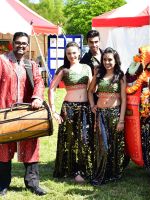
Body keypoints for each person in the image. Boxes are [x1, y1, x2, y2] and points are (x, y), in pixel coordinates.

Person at [0, 32, 46, 196]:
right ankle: (2, 184)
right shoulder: (3, 61)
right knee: (3, 148)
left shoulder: (31, 64)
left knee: (31, 145)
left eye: (24, 44)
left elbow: (39, 81)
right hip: (5, 111)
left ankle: (32, 184)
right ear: (13, 43)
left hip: (27, 113)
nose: (21, 46)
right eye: (18, 43)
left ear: (28, 46)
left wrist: (37, 98)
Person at [48, 41, 93, 183]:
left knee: (84, 139)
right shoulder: (64, 69)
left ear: (79, 53)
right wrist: (54, 111)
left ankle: (83, 168)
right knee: (71, 139)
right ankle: (73, 170)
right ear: (66, 55)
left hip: (85, 108)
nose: (72, 55)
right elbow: (51, 89)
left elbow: (92, 89)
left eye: (74, 53)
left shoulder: (87, 68)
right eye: (69, 53)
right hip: (69, 109)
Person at [88, 47, 127, 185]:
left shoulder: (120, 76)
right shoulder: (99, 75)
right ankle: (100, 174)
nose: (107, 62)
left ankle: (113, 172)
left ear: (115, 60)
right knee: (102, 145)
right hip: (101, 115)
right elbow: (90, 91)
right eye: (104, 59)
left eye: (110, 59)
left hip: (115, 114)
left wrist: (121, 120)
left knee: (114, 144)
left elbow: (123, 99)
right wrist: (93, 104)